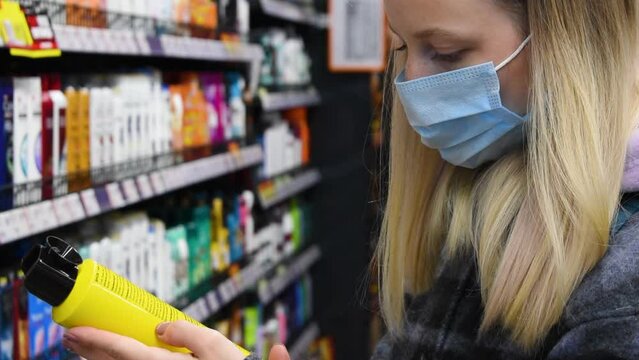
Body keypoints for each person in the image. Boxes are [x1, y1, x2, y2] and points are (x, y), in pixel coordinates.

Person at [61, 0, 639, 359]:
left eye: (445, 50)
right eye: (402, 49)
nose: (410, 84)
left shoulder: (623, 279)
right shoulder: (474, 200)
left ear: (572, 41)